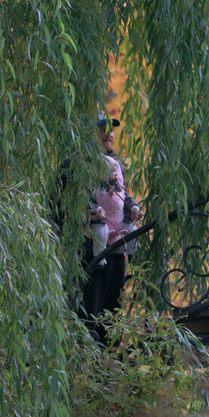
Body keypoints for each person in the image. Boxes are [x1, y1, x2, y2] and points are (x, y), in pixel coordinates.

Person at [79, 113, 141, 343]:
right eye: (103, 128)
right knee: (92, 305)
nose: (109, 133)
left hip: (117, 247)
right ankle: (88, 357)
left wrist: (132, 206)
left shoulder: (117, 165)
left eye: (112, 129)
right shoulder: (83, 162)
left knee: (113, 304)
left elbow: (123, 196)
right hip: (93, 247)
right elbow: (76, 196)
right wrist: (90, 208)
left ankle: (106, 358)